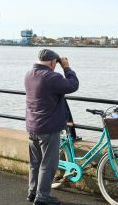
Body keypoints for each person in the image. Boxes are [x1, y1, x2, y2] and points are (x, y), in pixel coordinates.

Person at [25, 49, 79, 205]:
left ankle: (32, 192)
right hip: (48, 129)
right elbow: (73, 85)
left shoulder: (29, 74)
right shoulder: (51, 77)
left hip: (32, 126)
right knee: (48, 164)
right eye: (55, 64)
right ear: (52, 63)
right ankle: (42, 197)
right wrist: (67, 67)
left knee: (35, 163)